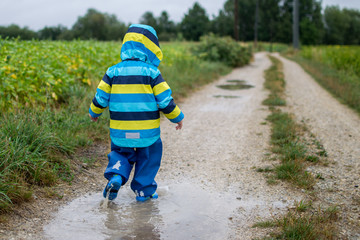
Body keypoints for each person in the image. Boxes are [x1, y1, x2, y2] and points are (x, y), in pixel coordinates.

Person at [88, 24, 184, 202]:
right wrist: (177, 117)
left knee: (121, 153)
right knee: (148, 158)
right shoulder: (152, 73)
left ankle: (116, 175)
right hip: (147, 131)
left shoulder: (113, 71)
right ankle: (143, 191)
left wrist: (94, 112)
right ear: (152, 49)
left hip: (121, 130)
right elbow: (164, 100)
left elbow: (101, 97)